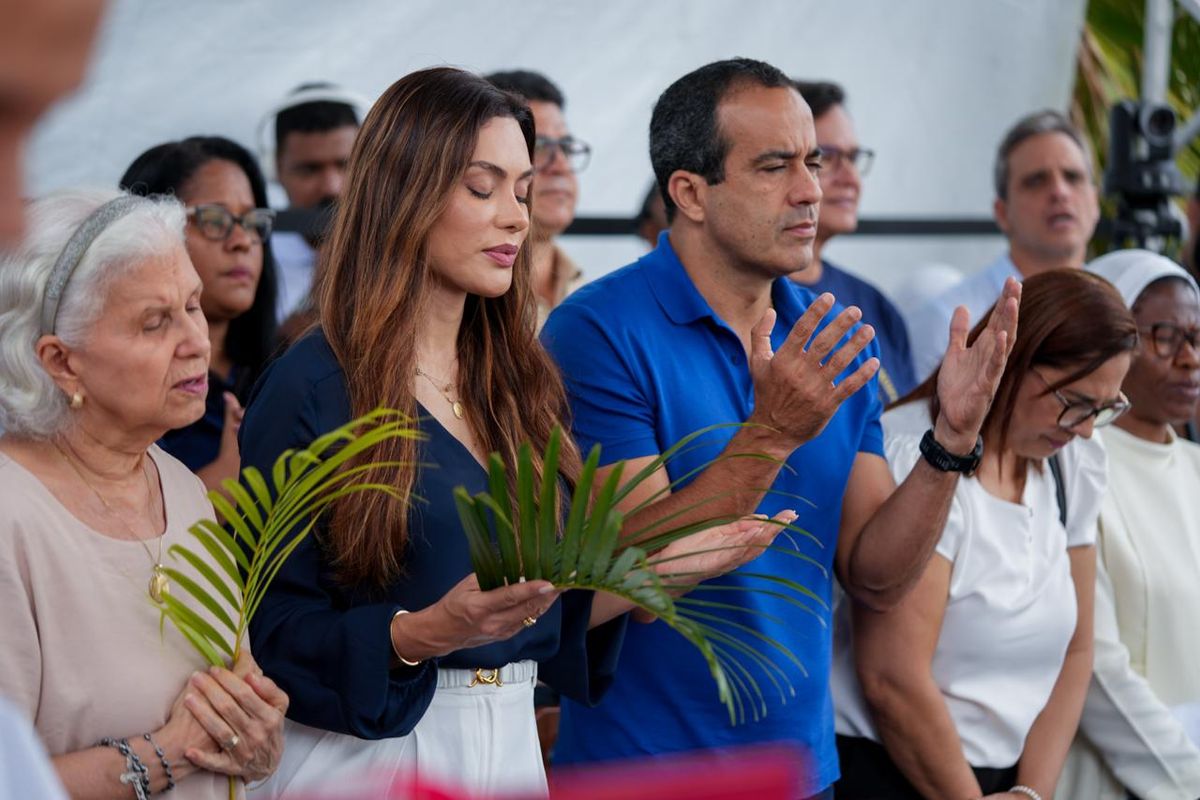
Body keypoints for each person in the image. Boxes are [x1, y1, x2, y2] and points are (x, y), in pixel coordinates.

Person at [239, 66, 780, 799]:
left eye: (522, 190)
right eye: (482, 186)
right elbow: (268, 632)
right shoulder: (312, 386)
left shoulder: (517, 384)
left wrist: (679, 564)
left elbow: (544, 601)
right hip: (373, 753)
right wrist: (422, 633)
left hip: (511, 740)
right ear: (402, 190)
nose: (516, 217)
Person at [542, 57, 1019, 800]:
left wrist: (949, 444)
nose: (811, 191)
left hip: (801, 773)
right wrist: (771, 433)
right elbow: (632, 570)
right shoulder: (595, 331)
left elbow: (876, 578)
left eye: (813, 161)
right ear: (690, 193)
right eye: (774, 166)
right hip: (639, 775)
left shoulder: (827, 336)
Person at [0, 189, 287, 799]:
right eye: (155, 322)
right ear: (61, 362)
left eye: (192, 306)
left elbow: (239, 723)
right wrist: (166, 753)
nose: (196, 342)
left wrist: (259, 737)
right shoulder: (10, 515)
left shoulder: (179, 485)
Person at [832, 269, 1137, 799]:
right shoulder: (915, 453)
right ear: (1011, 362)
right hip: (891, 771)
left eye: (1104, 408)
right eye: (1075, 402)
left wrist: (1030, 792)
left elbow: (1077, 650)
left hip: (1004, 778)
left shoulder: (1074, 463)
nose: (1086, 427)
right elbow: (891, 678)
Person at [1053, 250, 1200, 800]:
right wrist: (1188, 777)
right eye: (1164, 336)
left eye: (1197, 336)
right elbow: (1094, 666)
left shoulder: (1194, 467)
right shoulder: (1075, 461)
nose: (1189, 359)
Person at [120, 136, 279, 493]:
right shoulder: (119, 383)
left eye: (252, 221)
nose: (242, 240)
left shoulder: (279, 371)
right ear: (150, 229)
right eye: (214, 219)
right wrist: (222, 483)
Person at [908, 110, 1100, 381]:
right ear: (1002, 213)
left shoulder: (1123, 306)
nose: (1060, 192)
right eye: (1036, 181)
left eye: (1072, 177)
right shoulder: (950, 324)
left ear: (1095, 202)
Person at [790, 80, 916, 403]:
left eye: (854, 157)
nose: (851, 178)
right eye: (827, 157)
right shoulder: (755, 302)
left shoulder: (873, 304)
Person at [484, 70, 589, 323]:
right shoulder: (462, 303)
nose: (560, 165)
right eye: (539, 147)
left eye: (565, 147)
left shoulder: (589, 291)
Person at [267, 83, 362, 322]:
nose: (331, 187)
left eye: (345, 165)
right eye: (309, 170)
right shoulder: (248, 257)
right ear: (276, 169)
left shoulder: (406, 250)